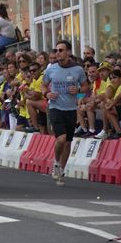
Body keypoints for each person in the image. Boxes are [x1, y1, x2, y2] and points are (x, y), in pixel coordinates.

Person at [42, 40, 87, 186]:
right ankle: (56, 162)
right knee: (61, 139)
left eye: (61, 50)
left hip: (70, 110)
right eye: (56, 50)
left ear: (68, 52)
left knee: (67, 143)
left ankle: (61, 169)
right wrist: (47, 94)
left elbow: (87, 86)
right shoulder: (51, 69)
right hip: (55, 108)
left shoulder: (78, 70)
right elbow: (43, 85)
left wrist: (79, 90)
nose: (58, 53)